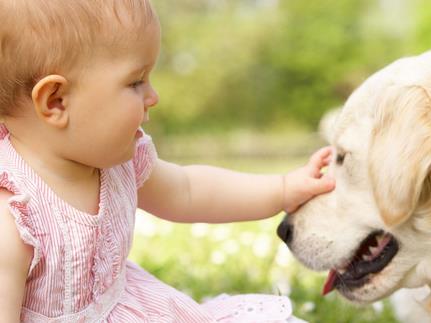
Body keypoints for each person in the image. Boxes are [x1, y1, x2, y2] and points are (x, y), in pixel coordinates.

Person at [0, 0, 335, 322]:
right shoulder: (14, 214)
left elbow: (189, 191)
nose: (153, 97)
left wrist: (282, 189)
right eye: (135, 81)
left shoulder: (118, 162)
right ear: (56, 101)